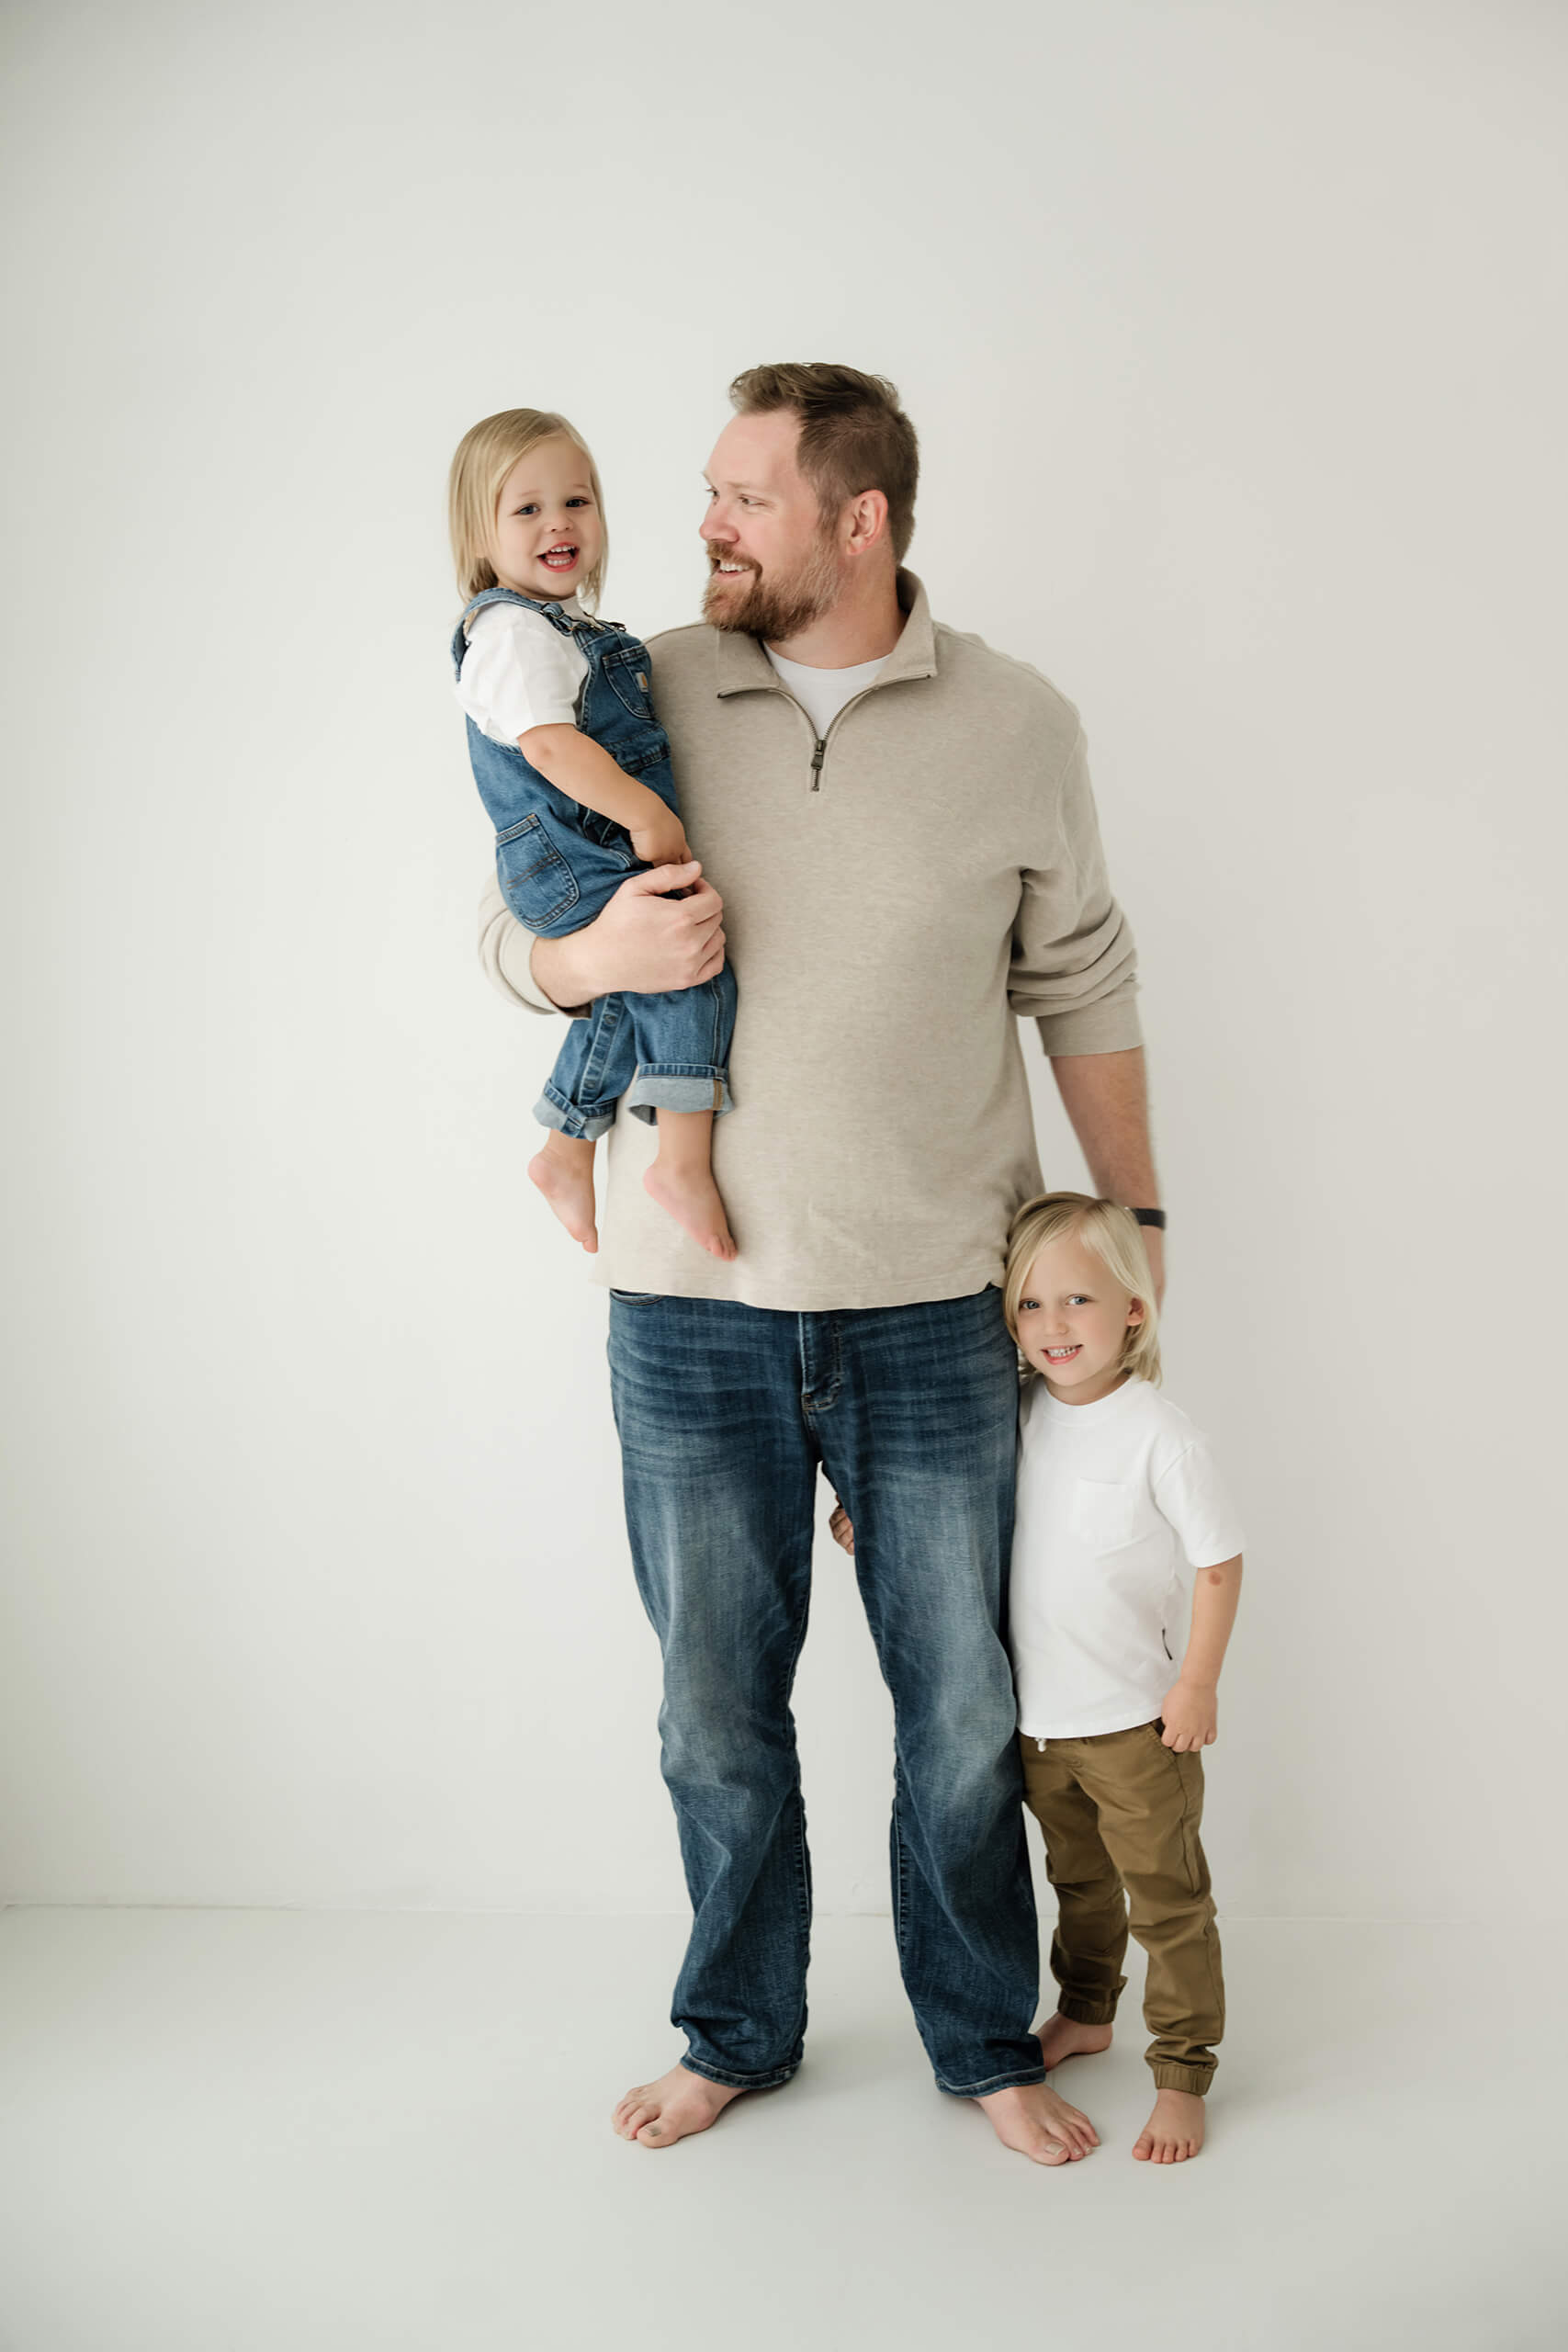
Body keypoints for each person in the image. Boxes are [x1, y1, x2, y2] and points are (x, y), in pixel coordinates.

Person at [477, 363, 1164, 2166]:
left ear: (855, 524)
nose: (694, 521)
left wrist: (1136, 1224)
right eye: (700, 490)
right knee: (713, 1710)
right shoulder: (638, 685)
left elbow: (1080, 973)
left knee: (959, 1714)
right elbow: (511, 909)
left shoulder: (1019, 720)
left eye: (741, 497)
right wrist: (577, 962)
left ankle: (975, 2037)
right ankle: (735, 2027)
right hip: (688, 1316)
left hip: (939, 1305)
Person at [833, 1192, 1244, 2164]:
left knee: (1167, 1900)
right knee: (1079, 1883)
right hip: (1037, 1727)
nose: (1054, 1327)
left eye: (1079, 1302)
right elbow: (954, 1508)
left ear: (1133, 1310)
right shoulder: (1014, 1415)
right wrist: (874, 1522)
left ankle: (1183, 2067)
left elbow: (1220, 1562)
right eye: (1030, 1306)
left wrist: (1198, 1682)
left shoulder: (1159, 1433)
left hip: (1137, 1727)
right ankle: (1088, 2012)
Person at [449, 408, 737, 1261]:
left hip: (576, 847)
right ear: (480, 530)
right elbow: (547, 745)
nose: (559, 524)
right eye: (527, 509)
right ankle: (681, 1160)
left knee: (632, 982)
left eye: (576, 500)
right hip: (570, 853)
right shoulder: (510, 632)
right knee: (691, 964)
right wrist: (647, 816)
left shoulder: (562, 630)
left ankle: (567, 1145)